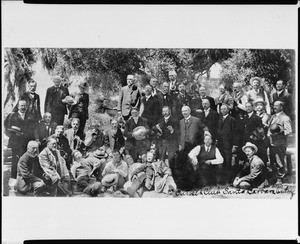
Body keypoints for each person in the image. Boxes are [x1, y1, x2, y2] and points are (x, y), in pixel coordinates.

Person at [268, 101, 292, 185]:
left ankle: (280, 178)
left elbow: (288, 131)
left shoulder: (285, 118)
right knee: (272, 161)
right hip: (272, 143)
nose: (274, 107)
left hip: (280, 143)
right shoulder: (272, 116)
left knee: (280, 161)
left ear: (281, 107)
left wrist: (279, 131)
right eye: (273, 106)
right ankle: (275, 176)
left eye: (276, 106)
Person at [4, 100, 30, 179]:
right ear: (18, 107)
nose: (23, 107)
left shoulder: (29, 116)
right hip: (15, 142)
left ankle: (23, 180)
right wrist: (14, 134)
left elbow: (32, 129)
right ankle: (13, 179)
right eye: (21, 106)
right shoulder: (12, 116)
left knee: (25, 161)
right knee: (15, 161)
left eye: (25, 106)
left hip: (26, 142)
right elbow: (6, 128)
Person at [216, 104, 239, 184]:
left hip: (229, 145)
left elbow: (236, 134)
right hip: (220, 145)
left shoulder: (232, 120)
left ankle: (229, 180)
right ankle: (222, 179)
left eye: (225, 109)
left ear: (228, 110)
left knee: (229, 163)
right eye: (221, 109)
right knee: (222, 162)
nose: (223, 111)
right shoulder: (219, 119)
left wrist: (235, 145)